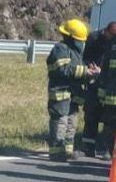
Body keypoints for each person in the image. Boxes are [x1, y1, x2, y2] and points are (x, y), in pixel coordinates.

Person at [46, 19, 99, 162]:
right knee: (60, 123)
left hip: (73, 96)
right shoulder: (60, 49)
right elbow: (63, 70)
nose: (82, 43)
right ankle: (56, 152)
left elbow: (79, 72)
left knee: (71, 124)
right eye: (79, 40)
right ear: (70, 37)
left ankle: (67, 151)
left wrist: (91, 74)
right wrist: (85, 72)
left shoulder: (76, 53)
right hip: (61, 94)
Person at [81, 22, 116, 158]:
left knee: (109, 121)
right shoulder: (94, 38)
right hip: (97, 83)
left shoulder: (112, 43)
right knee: (91, 114)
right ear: (106, 32)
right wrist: (89, 66)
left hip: (107, 85)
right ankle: (88, 147)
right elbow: (86, 57)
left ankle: (108, 150)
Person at [97, 24, 116, 160]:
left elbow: (104, 71)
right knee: (109, 125)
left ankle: (109, 152)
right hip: (111, 94)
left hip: (110, 93)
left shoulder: (111, 44)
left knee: (109, 125)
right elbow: (105, 70)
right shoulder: (111, 45)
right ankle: (108, 151)